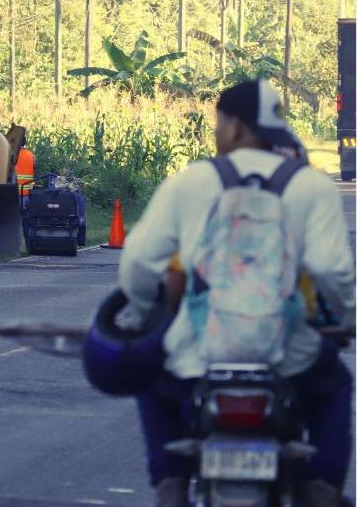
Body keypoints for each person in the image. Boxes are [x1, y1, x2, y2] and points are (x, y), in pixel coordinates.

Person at [116, 80, 354, 507]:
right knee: (334, 387)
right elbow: (331, 269)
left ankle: (170, 483)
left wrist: (139, 315)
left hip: (200, 354)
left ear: (237, 126)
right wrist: (349, 318)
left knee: (153, 380)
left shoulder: (190, 182)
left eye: (219, 121)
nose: (216, 130)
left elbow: (136, 262)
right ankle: (320, 486)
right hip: (288, 356)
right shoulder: (310, 185)